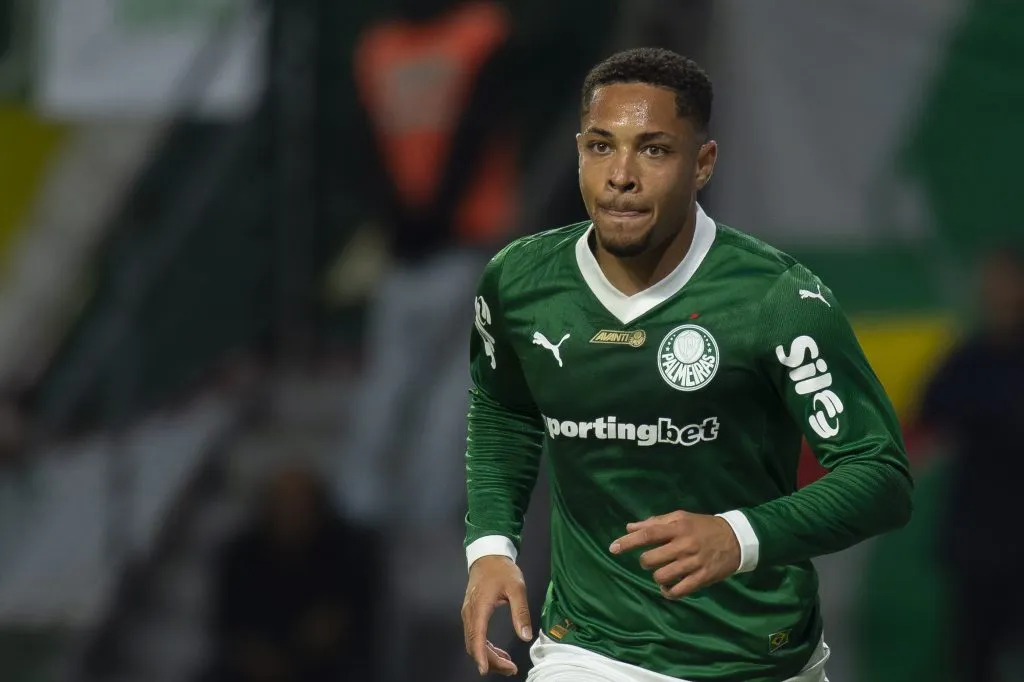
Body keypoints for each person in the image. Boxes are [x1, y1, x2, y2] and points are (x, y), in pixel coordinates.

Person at [459, 48, 914, 682]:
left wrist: (740, 535)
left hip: (762, 659)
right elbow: (504, 406)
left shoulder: (775, 298)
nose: (621, 174)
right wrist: (489, 546)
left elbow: (880, 477)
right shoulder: (519, 282)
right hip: (591, 651)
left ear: (702, 164)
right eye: (600, 146)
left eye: (653, 150)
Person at [916, 247, 1024, 682]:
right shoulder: (968, 360)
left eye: (1007, 282)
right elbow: (930, 414)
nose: (997, 293)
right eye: (991, 283)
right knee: (973, 658)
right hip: (980, 544)